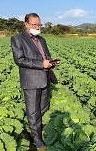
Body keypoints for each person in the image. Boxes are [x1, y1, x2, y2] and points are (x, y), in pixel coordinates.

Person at [11, 13, 60, 149]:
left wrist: (51, 62)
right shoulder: (18, 39)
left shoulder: (42, 40)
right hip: (31, 80)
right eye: (34, 24)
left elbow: (46, 55)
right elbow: (19, 60)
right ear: (26, 24)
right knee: (33, 111)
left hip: (45, 78)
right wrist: (41, 64)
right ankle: (36, 137)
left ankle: (38, 129)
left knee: (43, 108)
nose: (37, 27)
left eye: (39, 24)